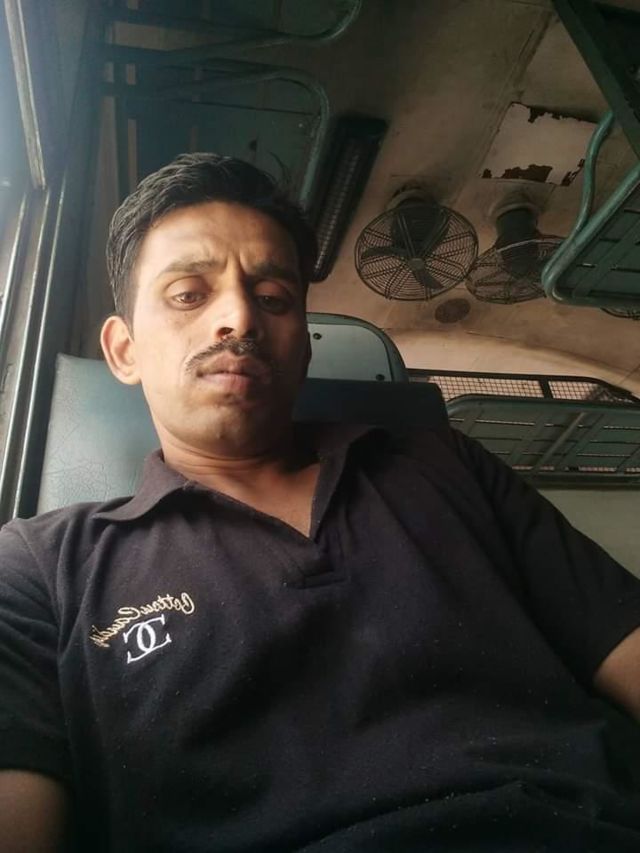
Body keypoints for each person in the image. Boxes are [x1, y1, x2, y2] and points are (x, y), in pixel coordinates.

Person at [0, 153, 639, 853]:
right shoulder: (39, 570)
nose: (238, 316)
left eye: (274, 297)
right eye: (188, 294)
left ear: (303, 347)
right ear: (124, 350)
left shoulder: (442, 464)